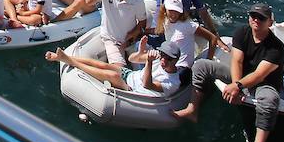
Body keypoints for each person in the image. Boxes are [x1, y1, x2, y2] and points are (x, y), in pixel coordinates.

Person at [174, 3, 284, 142]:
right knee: (201, 66)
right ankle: (193, 109)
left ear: (270, 22)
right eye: (253, 16)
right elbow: (237, 61)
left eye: (261, 18)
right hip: (240, 78)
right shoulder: (242, 32)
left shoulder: (276, 47)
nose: (256, 20)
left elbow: (259, 75)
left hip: (264, 83)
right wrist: (236, 85)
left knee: (269, 101)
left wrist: (237, 87)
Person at [46, 38, 184, 96]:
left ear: (176, 61)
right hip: (130, 75)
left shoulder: (172, 83)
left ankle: (69, 60)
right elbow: (132, 59)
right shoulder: (158, 58)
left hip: (133, 90)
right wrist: (141, 52)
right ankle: (61, 57)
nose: (164, 60)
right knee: (103, 65)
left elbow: (147, 85)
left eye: (169, 58)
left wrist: (148, 62)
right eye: (163, 55)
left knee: (113, 75)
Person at [88, 0, 149, 64]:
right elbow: (88, 1)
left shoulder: (138, 1)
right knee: (119, 69)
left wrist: (132, 35)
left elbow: (142, 22)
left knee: (146, 63)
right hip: (112, 40)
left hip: (130, 41)